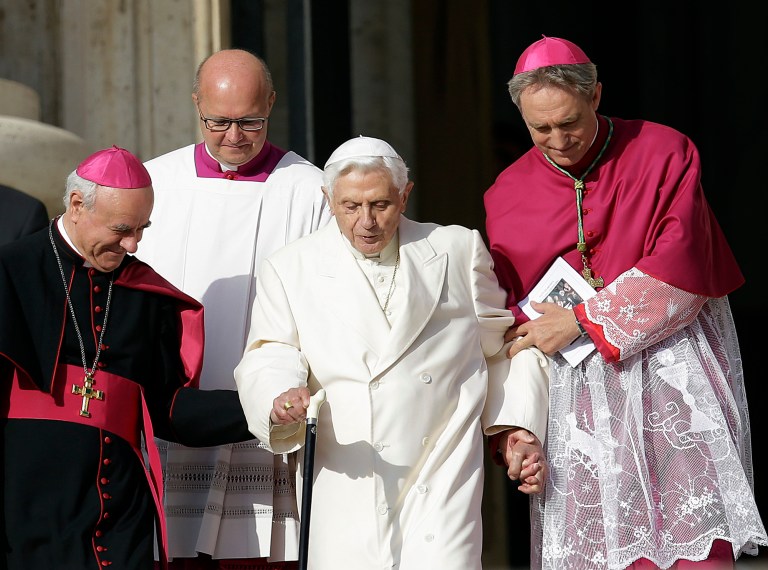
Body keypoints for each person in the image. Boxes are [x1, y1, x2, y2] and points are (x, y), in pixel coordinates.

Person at [484, 35, 768, 569]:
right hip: (579, 395)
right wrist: (516, 429)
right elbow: (517, 326)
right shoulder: (505, 193)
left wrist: (586, 321)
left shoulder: (663, 150)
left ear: (595, 97)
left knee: (696, 544)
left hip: (672, 372)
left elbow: (684, 264)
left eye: (569, 122)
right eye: (539, 128)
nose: (557, 140)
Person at [233, 135, 550, 570]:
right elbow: (270, 351)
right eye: (350, 207)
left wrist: (515, 427)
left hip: (439, 477)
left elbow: (505, 347)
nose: (366, 221)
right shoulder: (290, 267)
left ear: (405, 195)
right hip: (347, 476)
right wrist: (280, 396)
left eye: (380, 204)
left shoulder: (456, 249)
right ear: (328, 199)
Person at [0, 146, 255, 569]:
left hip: (121, 515)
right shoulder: (10, 273)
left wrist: (264, 406)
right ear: (78, 205)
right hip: (24, 512)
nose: (133, 243)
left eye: (142, 229)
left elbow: (169, 410)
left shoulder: (146, 295)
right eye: (122, 229)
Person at [136, 49, 332, 569]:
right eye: (218, 121)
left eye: (250, 121)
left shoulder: (310, 190)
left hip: (268, 406)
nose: (233, 136)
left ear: (271, 103)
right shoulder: (157, 184)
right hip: (174, 401)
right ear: (196, 103)